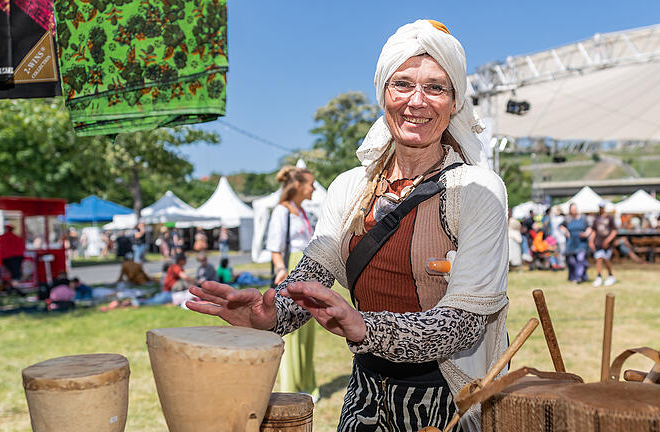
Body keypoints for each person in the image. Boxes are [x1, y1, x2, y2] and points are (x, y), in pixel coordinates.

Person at [188, 20, 509, 432]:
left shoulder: (478, 190)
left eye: (435, 88)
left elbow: (462, 325)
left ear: (453, 102)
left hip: (450, 398)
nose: (417, 101)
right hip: (367, 392)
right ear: (383, 94)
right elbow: (313, 275)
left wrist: (364, 327)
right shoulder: (350, 187)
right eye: (403, 84)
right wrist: (272, 316)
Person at [266, 166, 318, 400]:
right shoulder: (281, 211)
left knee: (307, 330)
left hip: (307, 270)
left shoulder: (302, 211)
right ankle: (291, 387)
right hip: (291, 271)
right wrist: (281, 270)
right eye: (311, 183)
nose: (314, 188)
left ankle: (307, 383)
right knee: (291, 331)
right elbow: (275, 249)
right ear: (298, 185)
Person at [561, 203, 592, 283]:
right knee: (572, 261)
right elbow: (561, 226)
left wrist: (586, 234)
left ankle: (579, 277)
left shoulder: (583, 218)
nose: (574, 210)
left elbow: (589, 228)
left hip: (581, 243)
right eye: (572, 209)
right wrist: (566, 232)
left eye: (575, 209)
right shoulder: (567, 219)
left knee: (580, 259)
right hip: (571, 243)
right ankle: (580, 275)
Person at [589, 202, 618, 286]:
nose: (601, 209)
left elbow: (614, 231)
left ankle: (610, 275)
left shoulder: (610, 218)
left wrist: (608, 240)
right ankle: (599, 276)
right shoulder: (596, 219)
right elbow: (594, 231)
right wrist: (591, 241)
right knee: (599, 258)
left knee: (606, 259)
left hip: (607, 244)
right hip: (598, 242)